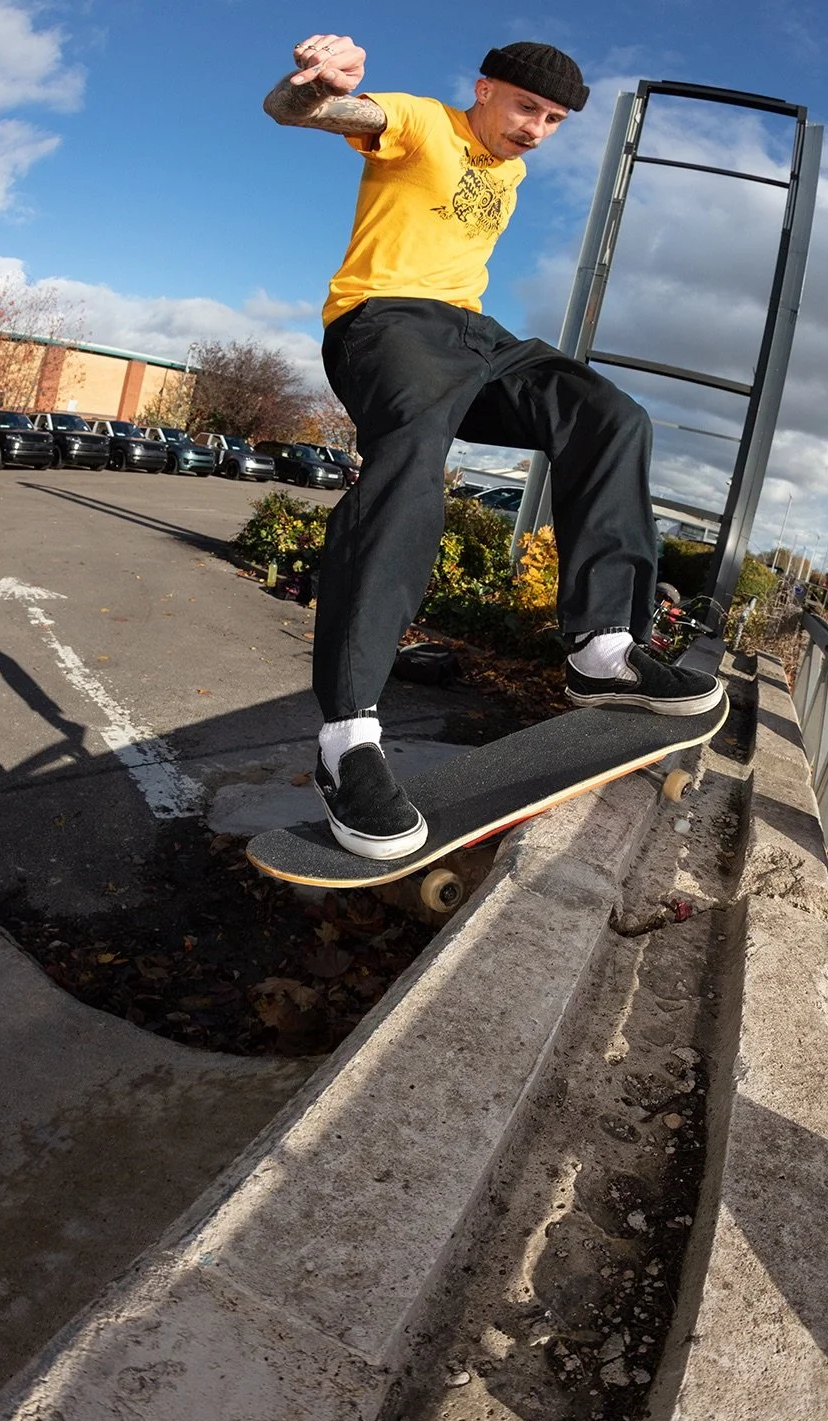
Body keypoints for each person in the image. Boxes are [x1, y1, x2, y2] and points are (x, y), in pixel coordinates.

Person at [264, 34, 724, 861]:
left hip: (477, 336)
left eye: (552, 119)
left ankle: (602, 647)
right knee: (411, 454)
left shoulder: (509, 170)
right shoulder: (418, 122)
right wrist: (314, 87)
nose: (535, 130)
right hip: (386, 321)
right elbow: (306, 113)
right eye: (524, 108)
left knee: (610, 416)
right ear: (483, 89)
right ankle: (349, 736)